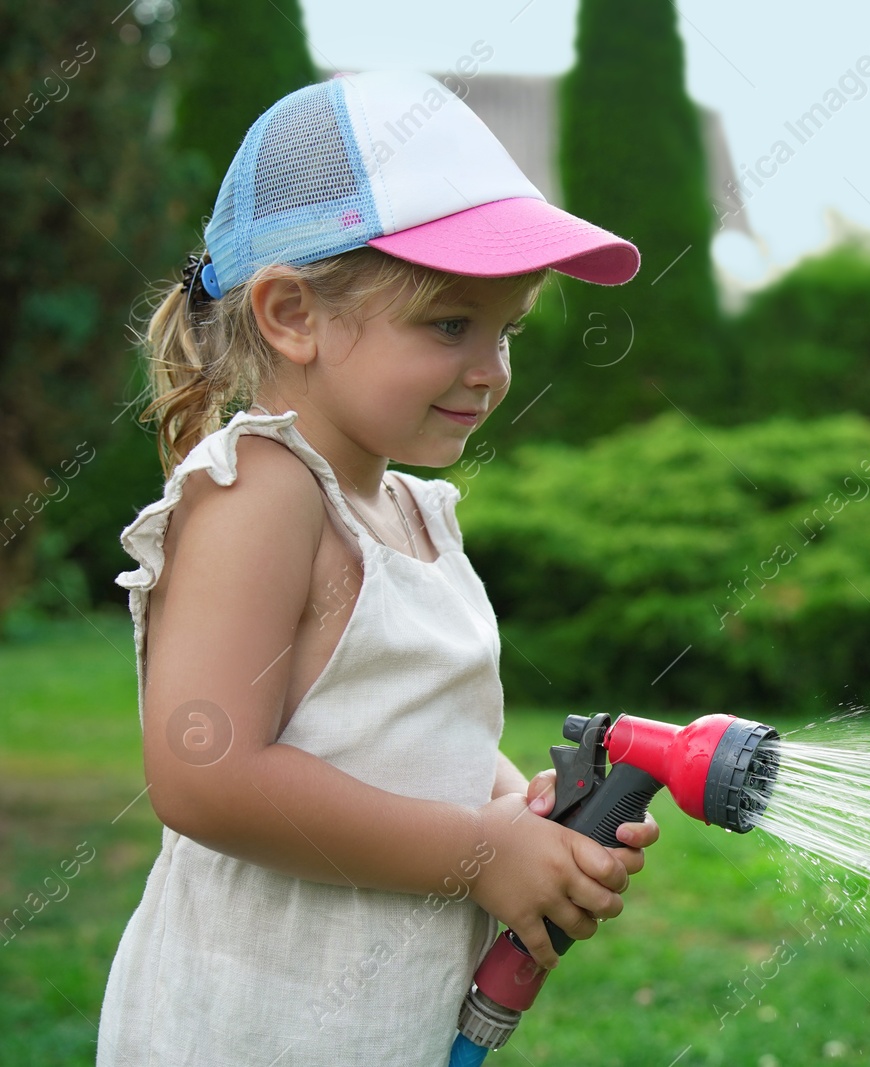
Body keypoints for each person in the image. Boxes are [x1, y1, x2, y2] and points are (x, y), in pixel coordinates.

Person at [97, 70, 655, 1066]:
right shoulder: (261, 492)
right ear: (291, 314)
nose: (490, 368)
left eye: (507, 328)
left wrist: (512, 813)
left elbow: (403, 723)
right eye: (449, 324)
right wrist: (479, 854)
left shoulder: (409, 510)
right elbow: (202, 775)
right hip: (254, 1024)